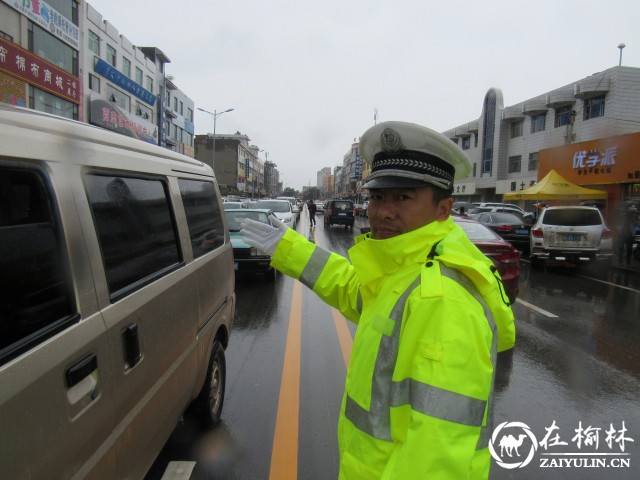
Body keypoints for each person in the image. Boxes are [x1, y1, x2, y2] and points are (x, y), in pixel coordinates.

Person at [241, 121, 516, 479]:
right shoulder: (409, 269)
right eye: (377, 196)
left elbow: (437, 458)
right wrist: (290, 250)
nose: (383, 211)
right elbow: (355, 291)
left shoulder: (443, 300)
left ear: (443, 209)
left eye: (402, 197)